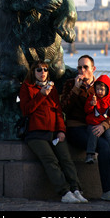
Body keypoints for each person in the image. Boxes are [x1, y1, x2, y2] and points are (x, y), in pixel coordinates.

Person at [60, 54, 110, 202]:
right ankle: (108, 190)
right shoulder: (71, 84)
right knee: (104, 146)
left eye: (85, 67)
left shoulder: (100, 87)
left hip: (97, 126)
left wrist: (104, 125)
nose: (81, 70)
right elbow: (63, 108)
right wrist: (75, 88)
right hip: (76, 128)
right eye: (79, 67)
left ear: (93, 69)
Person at [19, 59, 88, 203]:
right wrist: (41, 95)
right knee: (51, 160)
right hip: (35, 133)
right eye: (39, 70)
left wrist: (61, 131)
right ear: (33, 72)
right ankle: (65, 192)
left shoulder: (53, 89)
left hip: (55, 133)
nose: (42, 73)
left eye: (45, 70)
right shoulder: (27, 87)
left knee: (66, 159)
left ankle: (76, 189)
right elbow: (26, 110)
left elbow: (58, 112)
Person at [84, 74, 110, 166]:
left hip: (105, 123)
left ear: (107, 89)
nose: (99, 92)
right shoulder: (92, 98)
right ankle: (90, 154)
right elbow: (87, 111)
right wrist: (91, 104)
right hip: (93, 122)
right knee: (93, 135)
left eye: (102, 90)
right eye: (97, 89)